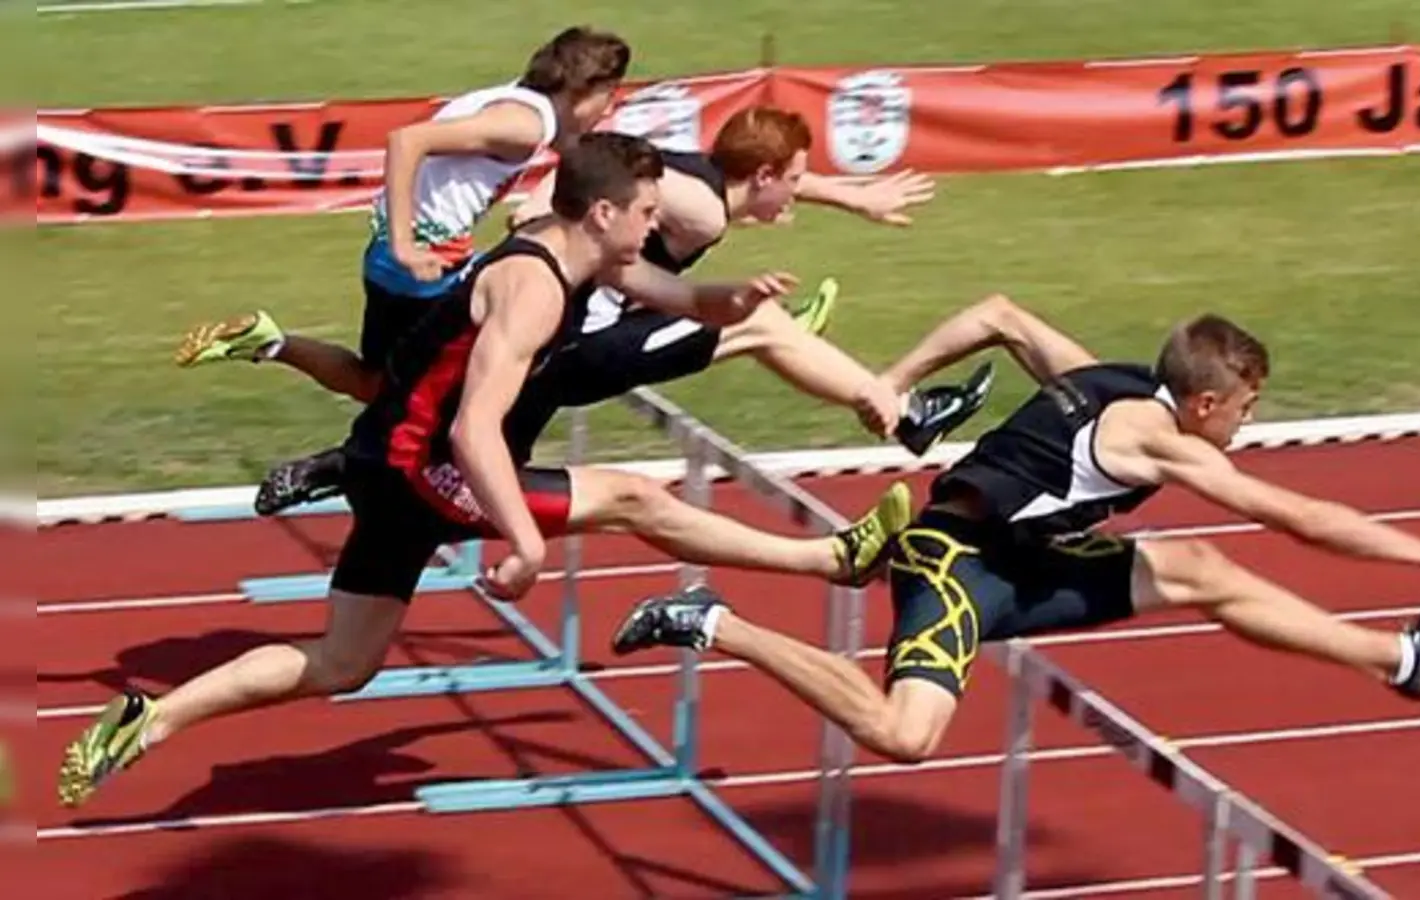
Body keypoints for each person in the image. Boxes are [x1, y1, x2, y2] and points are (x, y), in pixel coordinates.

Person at [58, 132, 914, 809]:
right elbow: (473, 428)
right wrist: (521, 540)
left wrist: (730, 300)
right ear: (605, 212)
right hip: (418, 465)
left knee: (342, 664)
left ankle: (152, 718)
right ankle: (830, 559)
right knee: (633, 497)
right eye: (648, 210)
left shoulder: (585, 245)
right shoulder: (534, 287)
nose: (659, 224)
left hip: (387, 456)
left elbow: (677, 295)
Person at [610, 294, 1420, 764]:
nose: (1243, 425)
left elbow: (999, 314)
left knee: (1200, 568)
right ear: (1205, 400)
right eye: (1244, 409)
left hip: (1027, 554)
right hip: (953, 566)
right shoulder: (1166, 445)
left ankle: (1400, 660)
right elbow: (1297, 516)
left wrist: (888, 387)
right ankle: (713, 623)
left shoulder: (1106, 377)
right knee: (905, 736)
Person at [247, 106, 987, 517]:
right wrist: (542, 220)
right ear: (760, 176)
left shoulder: (690, 177)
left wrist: (852, 196)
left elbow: (614, 169)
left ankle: (344, 466)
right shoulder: (698, 208)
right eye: (794, 182)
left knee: (470, 450)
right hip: (578, 343)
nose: (799, 192)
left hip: (573, 327)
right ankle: (898, 410)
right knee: (759, 325)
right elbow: (631, 196)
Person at [172, 26, 632, 402]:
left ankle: (269, 342)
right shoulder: (522, 124)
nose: (608, 109)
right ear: (582, 90)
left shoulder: (520, 100)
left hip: (400, 261)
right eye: (609, 96)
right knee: (500, 361)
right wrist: (405, 244)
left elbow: (574, 153)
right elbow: (406, 140)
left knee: (373, 383)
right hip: (428, 263)